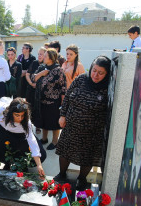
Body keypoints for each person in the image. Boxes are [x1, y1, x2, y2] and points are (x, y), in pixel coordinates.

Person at [55, 56, 111, 190]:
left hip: (91, 132)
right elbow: (68, 96)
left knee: (87, 157)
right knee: (65, 152)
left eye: (100, 72)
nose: (95, 75)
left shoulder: (107, 88)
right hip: (71, 126)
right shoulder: (81, 79)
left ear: (107, 73)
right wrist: (62, 115)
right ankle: (62, 174)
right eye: (94, 70)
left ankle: (82, 178)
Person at [0, 97, 46, 178]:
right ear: (10, 113)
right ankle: (7, 164)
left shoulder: (27, 123)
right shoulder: (2, 109)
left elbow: (32, 140)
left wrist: (39, 165)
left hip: (21, 136)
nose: (20, 118)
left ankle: (22, 165)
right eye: (17, 115)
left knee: (40, 153)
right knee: (1, 150)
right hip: (4, 133)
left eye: (22, 115)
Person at [32, 48, 67, 151]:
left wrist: (63, 102)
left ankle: (55, 141)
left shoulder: (58, 70)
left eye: (46, 56)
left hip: (54, 101)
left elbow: (63, 87)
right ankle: (44, 138)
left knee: (54, 123)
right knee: (43, 120)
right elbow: (34, 78)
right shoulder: (42, 67)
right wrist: (42, 73)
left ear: (51, 58)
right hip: (41, 100)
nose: (43, 57)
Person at [26, 47, 46, 111]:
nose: (39, 56)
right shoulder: (34, 62)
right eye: (38, 54)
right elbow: (27, 74)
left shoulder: (46, 65)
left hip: (40, 92)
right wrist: (31, 83)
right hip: (31, 90)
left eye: (41, 54)